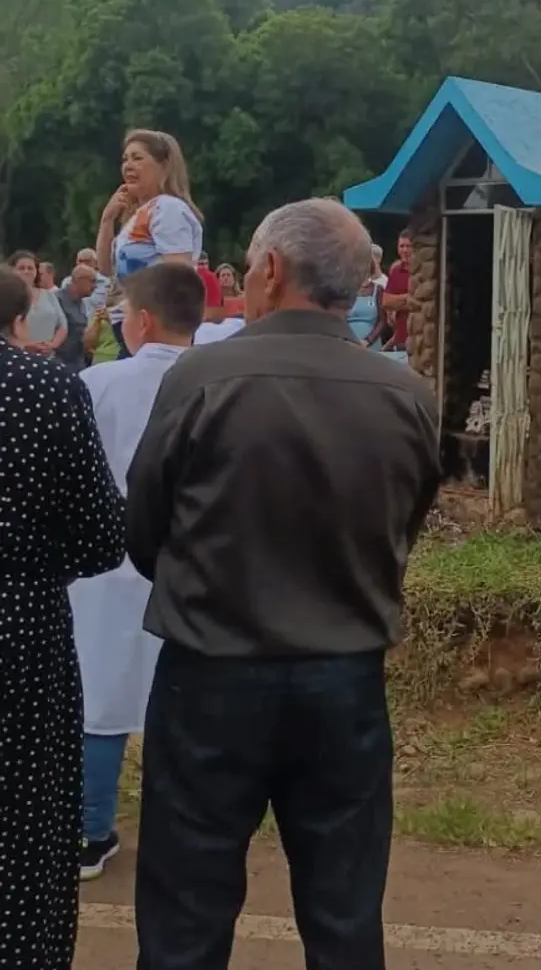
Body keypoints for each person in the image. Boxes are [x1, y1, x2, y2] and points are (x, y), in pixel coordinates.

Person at [125, 199, 441, 970]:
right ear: (359, 281)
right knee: (343, 916)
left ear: (268, 270)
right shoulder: (408, 396)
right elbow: (405, 526)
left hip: (211, 674)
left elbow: (145, 531)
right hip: (344, 684)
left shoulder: (202, 376)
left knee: (184, 916)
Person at [0, 263, 125, 969]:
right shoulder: (46, 387)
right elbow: (103, 538)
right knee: (26, 819)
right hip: (21, 629)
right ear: (21, 323)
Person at [70, 264, 206, 881]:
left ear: (142, 319)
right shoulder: (220, 381)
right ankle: (184, 839)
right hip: (193, 566)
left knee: (100, 706)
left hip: (106, 568)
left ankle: (90, 832)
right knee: (182, 708)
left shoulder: (97, 383)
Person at [95, 129, 203, 358]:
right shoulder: (138, 216)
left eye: (137, 158)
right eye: (125, 159)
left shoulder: (167, 209)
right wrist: (107, 219)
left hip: (156, 328)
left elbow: (178, 275)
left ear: (163, 165)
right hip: (131, 323)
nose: (128, 166)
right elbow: (105, 269)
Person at [7, 249, 68, 357]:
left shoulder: (49, 295)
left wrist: (52, 345)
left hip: (48, 357)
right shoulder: (7, 297)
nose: (26, 271)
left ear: (36, 271)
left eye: (30, 268)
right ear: (12, 270)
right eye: (21, 268)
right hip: (19, 357)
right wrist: (26, 345)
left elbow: (62, 325)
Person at [56, 263, 97, 371]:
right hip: (59, 364)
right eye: (92, 281)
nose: (95, 286)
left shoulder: (82, 303)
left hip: (78, 362)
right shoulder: (56, 301)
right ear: (79, 280)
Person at [380, 228, 412, 361]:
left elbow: (425, 302)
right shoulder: (396, 269)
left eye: (409, 246)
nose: (404, 250)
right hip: (400, 340)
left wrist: (398, 303)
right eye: (401, 246)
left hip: (419, 341)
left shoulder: (424, 271)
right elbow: (386, 302)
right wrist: (410, 299)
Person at [63, 247, 110, 313]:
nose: (83, 264)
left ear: (96, 263)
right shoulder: (67, 282)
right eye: (80, 261)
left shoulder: (107, 283)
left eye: (87, 261)